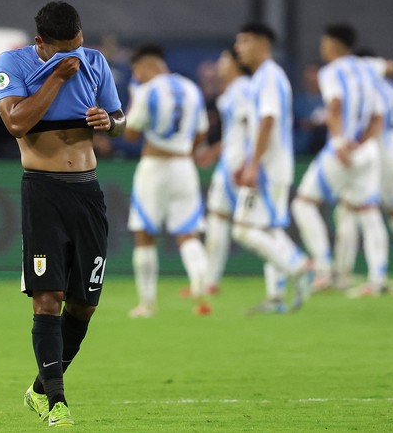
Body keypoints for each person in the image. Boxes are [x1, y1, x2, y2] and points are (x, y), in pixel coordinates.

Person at [0, 1, 126, 427]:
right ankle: (57, 404)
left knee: (83, 305)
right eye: (64, 51)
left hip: (86, 192)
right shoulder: (13, 64)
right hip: (44, 193)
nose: (75, 57)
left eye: (79, 47)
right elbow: (16, 123)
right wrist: (56, 77)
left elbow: (121, 120)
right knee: (47, 300)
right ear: (40, 43)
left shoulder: (94, 62)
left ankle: (38, 389)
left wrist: (110, 121)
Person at [292, 23, 389, 297]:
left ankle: (324, 269)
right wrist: (360, 145)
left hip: (341, 148)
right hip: (367, 151)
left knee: (304, 204)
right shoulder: (369, 71)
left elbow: (335, 106)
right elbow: (378, 118)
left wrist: (339, 143)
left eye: (324, 43)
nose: (322, 48)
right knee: (368, 213)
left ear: (333, 45)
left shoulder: (331, 72)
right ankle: (377, 277)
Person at [123, 44, 211, 318]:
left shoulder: (147, 90)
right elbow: (201, 132)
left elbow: (130, 134)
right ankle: (200, 282)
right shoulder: (192, 89)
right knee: (188, 232)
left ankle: (147, 304)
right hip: (184, 165)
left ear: (147, 66)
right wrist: (184, 149)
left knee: (144, 232)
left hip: (155, 166)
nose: (137, 76)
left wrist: (132, 99)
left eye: (138, 71)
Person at [231, 23, 313, 313]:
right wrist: (246, 162)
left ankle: (298, 265)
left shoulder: (268, 77)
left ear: (262, 44)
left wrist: (253, 165)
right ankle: (276, 297)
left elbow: (268, 120)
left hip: (269, 167)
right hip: (271, 164)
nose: (238, 48)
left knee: (242, 228)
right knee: (269, 229)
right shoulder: (262, 78)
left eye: (244, 41)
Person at [333, 49, 393, 295]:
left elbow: (375, 121)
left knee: (353, 211)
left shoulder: (366, 89)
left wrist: (357, 146)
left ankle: (360, 277)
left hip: (377, 160)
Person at [194, 47, 252, 293]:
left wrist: (250, 162)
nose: (220, 64)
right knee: (219, 217)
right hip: (231, 159)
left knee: (254, 226)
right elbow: (235, 133)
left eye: (224, 59)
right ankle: (209, 281)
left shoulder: (242, 89)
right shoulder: (232, 92)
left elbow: (251, 127)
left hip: (239, 163)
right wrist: (215, 151)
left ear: (236, 63)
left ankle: (293, 267)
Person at [292, 63, 327, 156]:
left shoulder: (329, 100)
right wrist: (306, 124)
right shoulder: (299, 101)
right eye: (309, 74)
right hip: (302, 150)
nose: (311, 77)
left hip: (325, 147)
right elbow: (291, 123)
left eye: (314, 73)